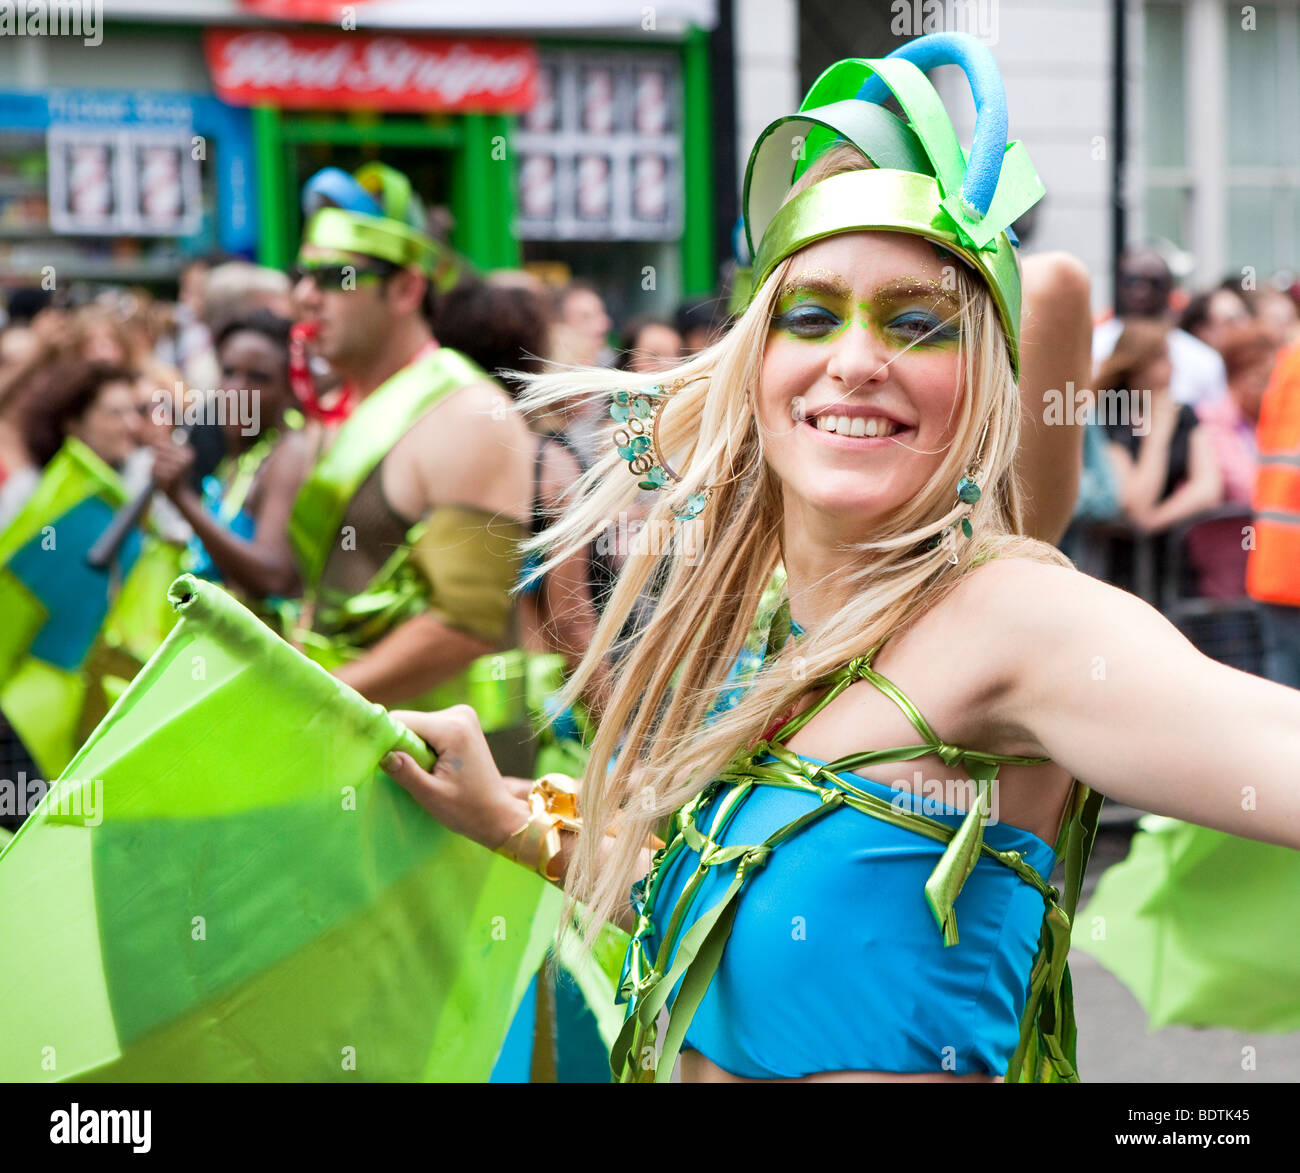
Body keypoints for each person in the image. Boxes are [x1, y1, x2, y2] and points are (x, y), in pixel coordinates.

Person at [382, 34, 1300, 1084]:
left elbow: (1050, 282)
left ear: (985, 384)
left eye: (919, 325)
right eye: (811, 317)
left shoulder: (1012, 619)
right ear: (755, 368)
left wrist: (955, 207)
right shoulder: (768, 637)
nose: (857, 361)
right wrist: (515, 821)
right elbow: (714, 915)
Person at [282, 163, 537, 775]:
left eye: (333, 277)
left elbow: (465, 622)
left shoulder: (469, 412)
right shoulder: (350, 409)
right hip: (363, 752)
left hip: (453, 775)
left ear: (404, 290)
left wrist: (301, 700)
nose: (304, 297)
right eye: (301, 276)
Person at [1093, 246, 1228, 407]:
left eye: (1153, 283)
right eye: (1131, 280)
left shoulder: (1203, 360)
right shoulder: (1092, 346)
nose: (1141, 291)